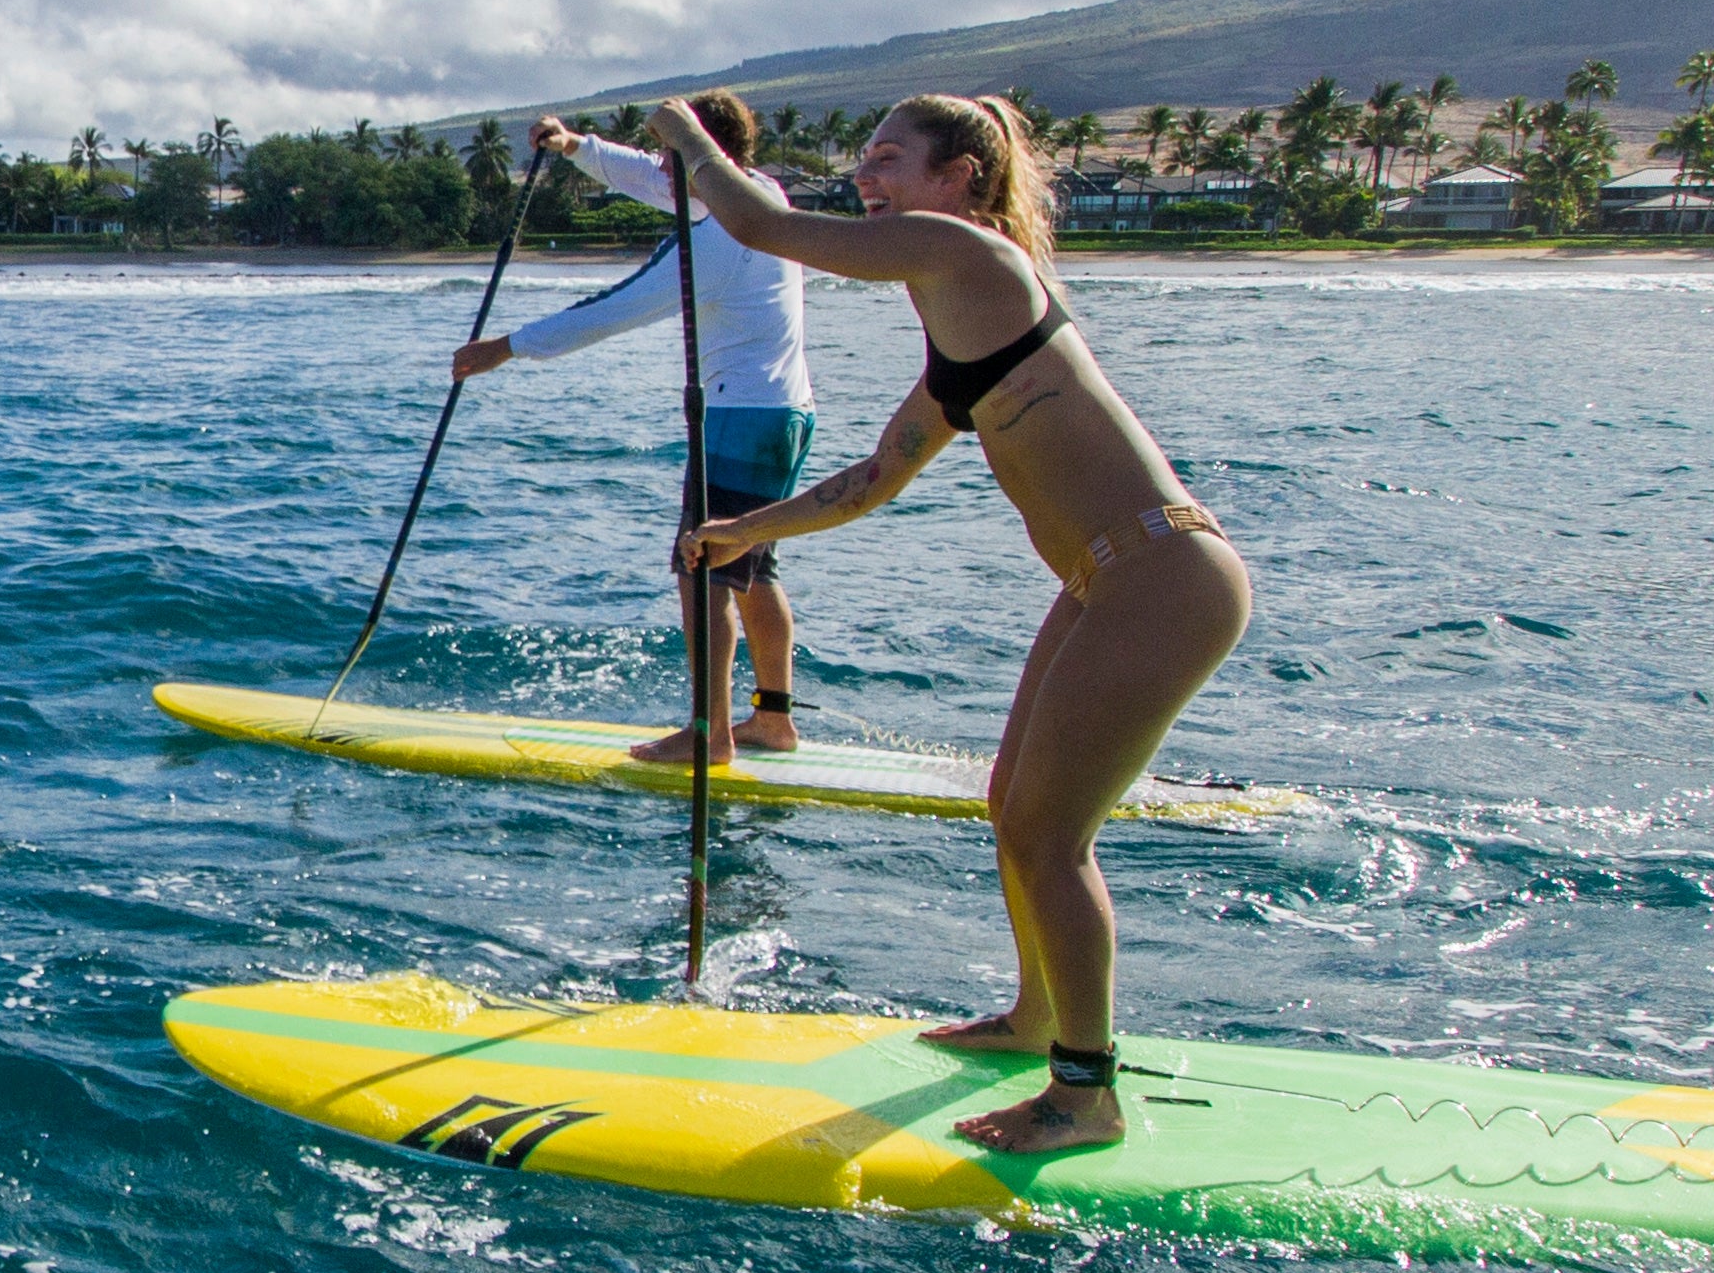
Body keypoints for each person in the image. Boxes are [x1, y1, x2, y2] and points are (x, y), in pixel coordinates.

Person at [656, 91, 1252, 1157]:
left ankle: (1085, 1094)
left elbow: (762, 227)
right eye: (863, 161)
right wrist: (739, 530)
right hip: (1105, 583)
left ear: (960, 177)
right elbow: (869, 481)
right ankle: (1034, 1020)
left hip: (1164, 577)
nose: (867, 180)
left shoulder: (965, 254)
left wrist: (686, 135)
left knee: (1047, 834)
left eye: (888, 159)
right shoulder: (961, 328)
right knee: (1008, 806)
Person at [447, 94, 816, 764]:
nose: (661, 174)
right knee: (754, 569)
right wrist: (574, 147)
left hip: (741, 419)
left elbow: (617, 309)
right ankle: (774, 721)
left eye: (672, 161)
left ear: (699, 163)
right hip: (786, 413)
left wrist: (507, 347)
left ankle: (710, 736)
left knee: (701, 569)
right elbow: (651, 177)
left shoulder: (719, 237)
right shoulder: (758, 194)